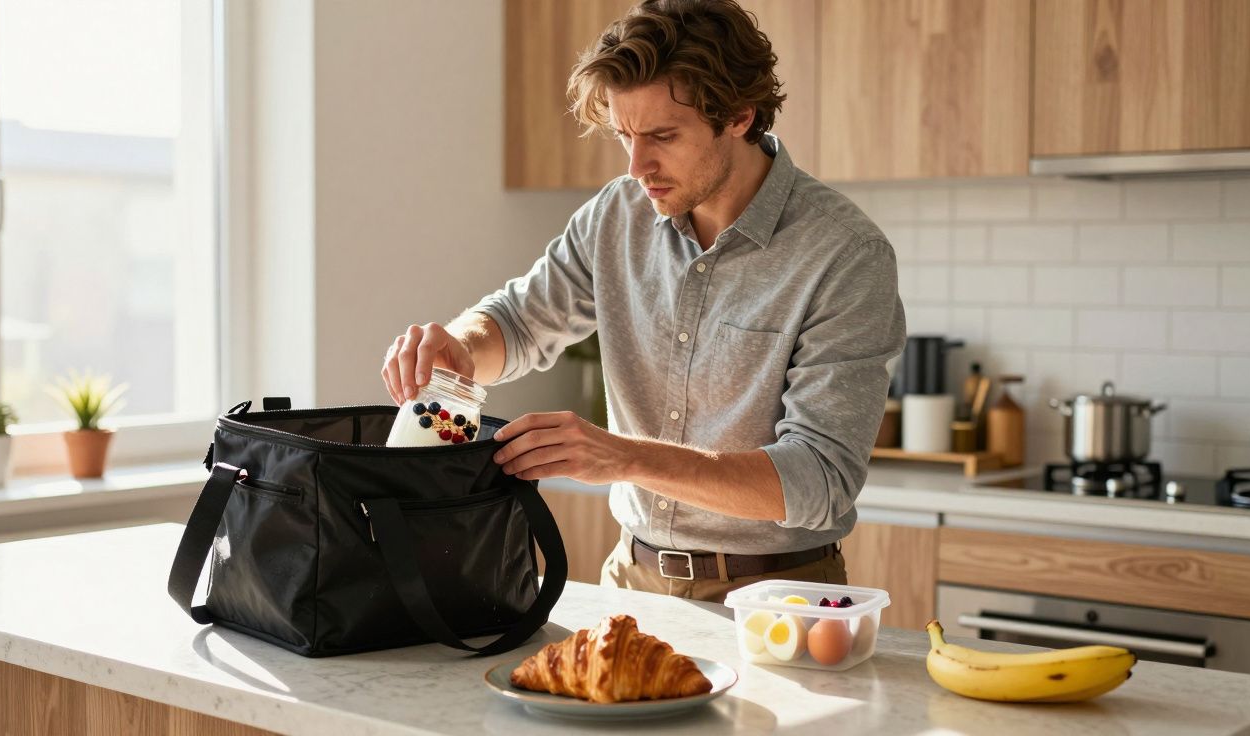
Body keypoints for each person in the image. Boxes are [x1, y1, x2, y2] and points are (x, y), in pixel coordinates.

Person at [381, 0, 905, 602]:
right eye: (624, 136)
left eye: (661, 136)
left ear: (739, 115)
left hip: (779, 596)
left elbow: (820, 480)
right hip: (631, 581)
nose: (637, 166)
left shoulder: (844, 253)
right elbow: (520, 322)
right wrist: (462, 346)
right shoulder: (617, 214)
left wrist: (624, 458)